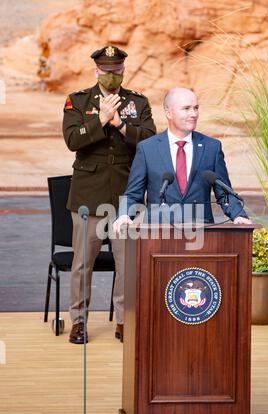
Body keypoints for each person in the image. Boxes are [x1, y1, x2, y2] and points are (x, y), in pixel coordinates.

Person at [63, 45, 156, 344]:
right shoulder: (78, 101)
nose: (111, 75)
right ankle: (78, 322)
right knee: (82, 264)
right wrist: (100, 120)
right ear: (96, 70)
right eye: (106, 70)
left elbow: (150, 140)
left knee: (127, 264)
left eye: (116, 70)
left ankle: (124, 322)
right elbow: (72, 139)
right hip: (88, 195)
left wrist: (119, 123)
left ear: (123, 71)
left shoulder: (137, 102)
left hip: (125, 195)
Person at [114, 87, 251, 233]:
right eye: (186, 108)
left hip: (202, 234)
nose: (193, 114)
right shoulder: (147, 149)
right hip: (158, 235)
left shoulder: (212, 147)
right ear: (169, 112)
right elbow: (133, 193)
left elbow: (224, 193)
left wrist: (238, 215)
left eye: (196, 108)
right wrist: (124, 215)